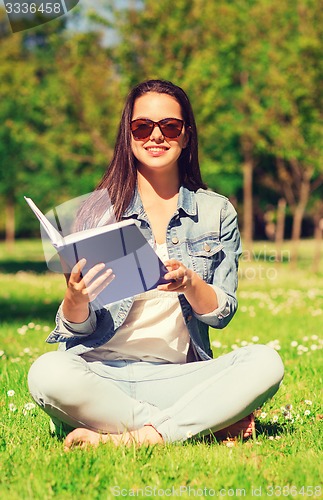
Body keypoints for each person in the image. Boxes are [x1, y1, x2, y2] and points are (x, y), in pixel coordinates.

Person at [28, 80, 284, 449]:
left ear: (186, 136)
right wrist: (76, 299)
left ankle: (130, 436)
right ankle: (195, 423)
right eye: (142, 127)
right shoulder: (98, 212)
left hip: (177, 375)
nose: (156, 136)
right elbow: (78, 329)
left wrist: (192, 284)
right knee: (46, 373)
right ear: (129, 135)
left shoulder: (216, 212)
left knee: (265, 362)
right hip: (99, 372)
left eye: (170, 126)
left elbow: (222, 312)